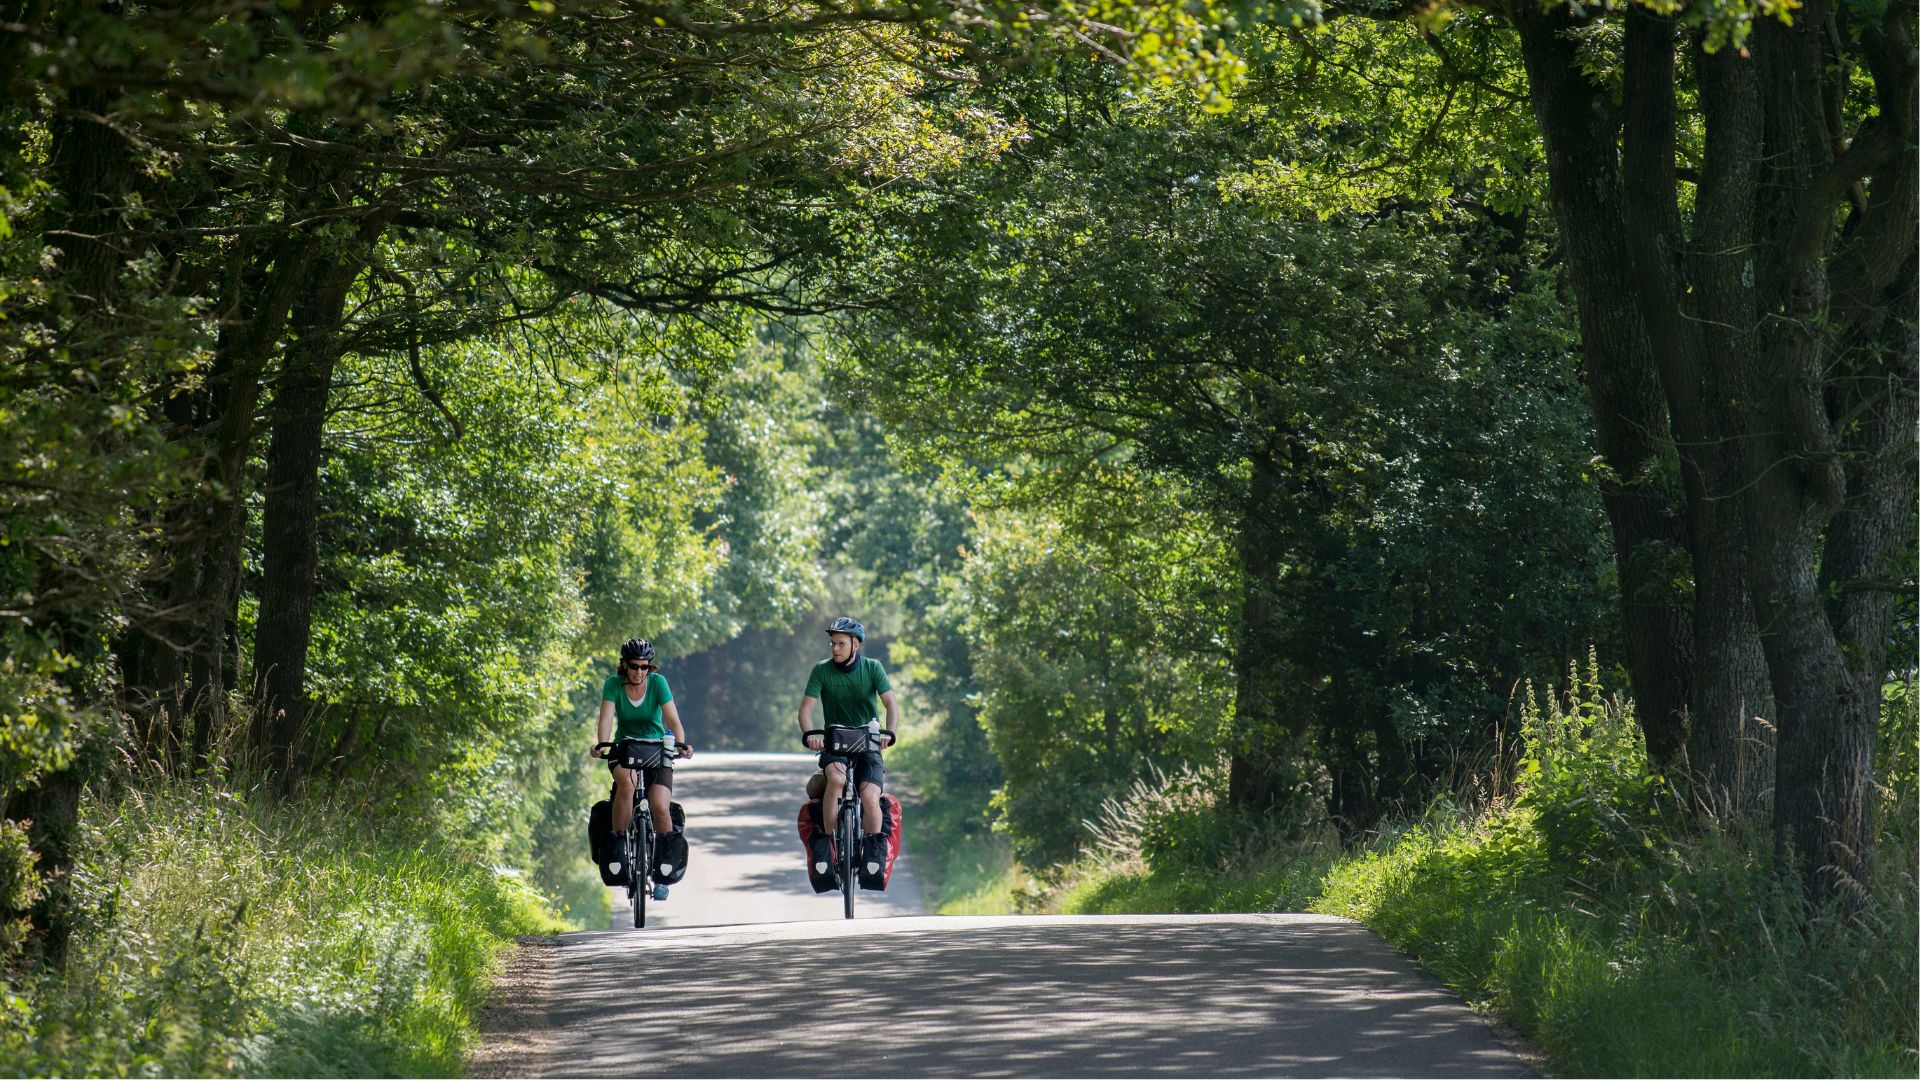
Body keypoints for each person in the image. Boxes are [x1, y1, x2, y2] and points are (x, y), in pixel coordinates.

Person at [591, 637, 693, 896]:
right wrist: (602, 744)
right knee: (627, 784)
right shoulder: (613, 685)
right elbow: (606, 719)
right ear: (624, 665)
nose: (639, 672)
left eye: (644, 667)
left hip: (657, 748)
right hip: (624, 747)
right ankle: (619, 851)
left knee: (660, 805)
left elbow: (673, 721)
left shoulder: (658, 684)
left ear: (650, 667)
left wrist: (681, 744)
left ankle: (663, 874)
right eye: (634, 666)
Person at [797, 616, 897, 879]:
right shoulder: (821, 670)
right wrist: (810, 735)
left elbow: (891, 704)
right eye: (832, 643)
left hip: (869, 743)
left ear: (856, 645)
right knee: (837, 780)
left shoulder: (873, 668)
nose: (835, 649)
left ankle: (873, 852)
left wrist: (890, 733)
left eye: (841, 644)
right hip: (835, 743)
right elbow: (805, 709)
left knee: (869, 797)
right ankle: (829, 848)